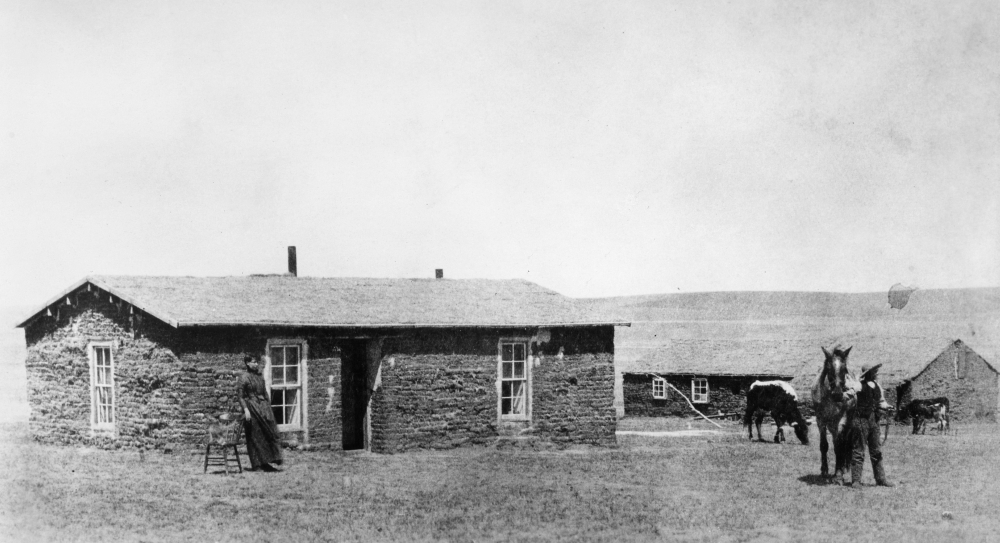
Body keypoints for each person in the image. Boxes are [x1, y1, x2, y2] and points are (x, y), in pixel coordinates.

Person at [237, 354, 283, 472]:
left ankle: (266, 462)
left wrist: (268, 407)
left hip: (263, 407)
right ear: (247, 363)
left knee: (268, 434)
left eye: (257, 362)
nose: (256, 364)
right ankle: (257, 464)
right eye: (253, 362)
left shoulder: (259, 377)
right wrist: (246, 410)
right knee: (255, 436)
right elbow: (241, 397)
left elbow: (265, 393)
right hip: (252, 408)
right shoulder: (244, 377)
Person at [849, 363, 893, 488]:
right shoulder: (858, 385)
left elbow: (881, 402)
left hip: (874, 420)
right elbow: (849, 394)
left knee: (876, 450)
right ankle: (856, 480)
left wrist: (888, 407)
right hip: (860, 420)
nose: (876, 373)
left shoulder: (878, 386)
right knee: (858, 450)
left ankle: (881, 479)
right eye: (874, 371)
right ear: (868, 373)